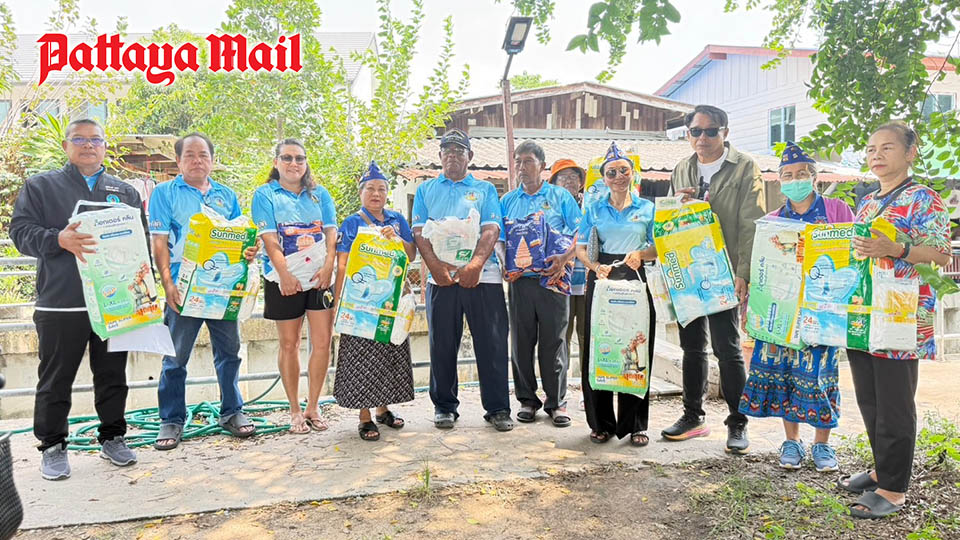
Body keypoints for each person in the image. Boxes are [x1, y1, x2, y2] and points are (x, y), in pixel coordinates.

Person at [10, 118, 143, 480]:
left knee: (113, 375)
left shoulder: (124, 191)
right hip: (61, 302)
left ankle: (113, 437)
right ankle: (52, 445)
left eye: (95, 140)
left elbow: (139, 241)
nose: (88, 146)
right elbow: (20, 232)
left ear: (105, 147)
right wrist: (58, 240)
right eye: (80, 139)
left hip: (114, 302)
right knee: (56, 378)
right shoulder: (40, 186)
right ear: (66, 146)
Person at [841, 122, 951, 519]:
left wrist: (897, 248)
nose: (876, 154)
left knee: (894, 402)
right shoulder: (869, 201)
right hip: (863, 311)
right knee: (869, 398)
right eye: (871, 148)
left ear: (910, 153)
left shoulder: (923, 199)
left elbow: (941, 255)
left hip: (900, 315)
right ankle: (880, 469)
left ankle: (893, 489)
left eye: (887, 147)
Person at [738, 142, 854, 472]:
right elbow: (761, 270)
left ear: (814, 177)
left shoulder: (837, 211)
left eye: (801, 173)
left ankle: (822, 445)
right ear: (780, 181)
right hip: (782, 312)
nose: (795, 179)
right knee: (786, 375)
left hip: (823, 311)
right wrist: (753, 312)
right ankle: (791, 441)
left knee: (821, 375)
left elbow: (853, 253)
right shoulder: (772, 222)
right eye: (787, 175)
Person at [662, 104, 765, 454]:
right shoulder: (682, 167)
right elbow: (670, 219)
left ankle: (738, 421)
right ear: (688, 134)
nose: (702, 138)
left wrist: (743, 273)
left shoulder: (744, 167)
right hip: (688, 271)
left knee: (728, 348)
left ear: (725, 133)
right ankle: (692, 416)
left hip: (724, 271)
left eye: (710, 131)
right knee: (691, 347)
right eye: (695, 131)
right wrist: (679, 205)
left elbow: (751, 224)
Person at [150, 132, 260, 451]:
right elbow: (159, 242)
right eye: (190, 155)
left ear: (212, 160)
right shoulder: (164, 193)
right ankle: (171, 419)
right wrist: (168, 284)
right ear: (178, 160)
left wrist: (249, 251)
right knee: (175, 357)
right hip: (184, 288)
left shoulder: (227, 195)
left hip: (223, 288)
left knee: (230, 352)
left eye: (203, 155)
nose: (197, 161)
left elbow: (240, 237)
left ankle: (232, 412)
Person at [412, 129, 513, 432]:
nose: (453, 156)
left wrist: (476, 264)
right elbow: (419, 232)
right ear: (440, 156)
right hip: (441, 279)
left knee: (492, 343)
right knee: (442, 344)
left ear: (470, 156)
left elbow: (491, 229)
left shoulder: (485, 189)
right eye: (448, 151)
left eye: (459, 151)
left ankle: (497, 408)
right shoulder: (425, 190)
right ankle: (444, 406)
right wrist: (435, 267)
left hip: (484, 277)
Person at [251, 139, 338, 434]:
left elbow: (331, 234)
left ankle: (313, 406)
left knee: (323, 342)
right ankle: (294, 411)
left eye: (299, 158)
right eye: (287, 158)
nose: (294, 163)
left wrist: (328, 267)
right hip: (283, 279)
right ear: (276, 162)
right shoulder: (264, 195)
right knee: (289, 344)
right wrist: (285, 274)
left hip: (319, 278)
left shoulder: (320, 194)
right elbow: (269, 239)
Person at [575, 142, 658, 446]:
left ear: (633, 174)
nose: (619, 176)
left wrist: (641, 254)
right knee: (600, 347)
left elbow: (658, 247)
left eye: (624, 170)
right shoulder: (594, 209)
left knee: (637, 347)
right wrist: (595, 266)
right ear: (604, 178)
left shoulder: (648, 208)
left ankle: (635, 424)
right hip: (603, 276)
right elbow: (580, 249)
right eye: (612, 172)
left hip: (635, 276)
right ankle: (601, 423)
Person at [333, 161, 417, 441]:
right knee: (361, 358)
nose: (376, 194)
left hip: (390, 299)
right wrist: (338, 303)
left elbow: (411, 255)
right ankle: (364, 416)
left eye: (381, 189)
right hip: (360, 303)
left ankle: (383, 409)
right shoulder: (352, 223)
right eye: (370, 189)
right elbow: (342, 264)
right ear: (361, 192)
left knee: (388, 355)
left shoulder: (397, 220)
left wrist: (398, 240)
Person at [500, 142, 582, 427]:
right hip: (520, 282)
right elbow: (500, 238)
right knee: (521, 343)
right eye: (518, 161)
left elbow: (579, 231)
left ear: (542, 166)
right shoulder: (508, 200)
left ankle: (556, 402)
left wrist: (564, 258)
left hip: (555, 280)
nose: (522, 167)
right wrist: (504, 264)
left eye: (528, 161)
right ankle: (527, 400)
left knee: (554, 343)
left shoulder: (560, 196)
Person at [548, 159, 588, 371]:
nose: (569, 181)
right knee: (561, 335)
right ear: (554, 183)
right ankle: (559, 385)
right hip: (560, 279)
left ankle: (587, 385)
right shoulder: (549, 206)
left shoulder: (591, 204)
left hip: (587, 280)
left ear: (581, 182)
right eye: (563, 177)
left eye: (574, 177)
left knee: (587, 334)